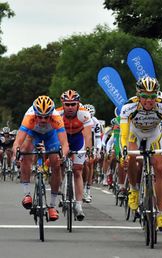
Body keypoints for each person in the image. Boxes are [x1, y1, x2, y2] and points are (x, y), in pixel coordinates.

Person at [120, 76, 162, 231]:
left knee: (160, 168)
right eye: (144, 96)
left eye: (152, 96)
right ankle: (134, 189)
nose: (149, 100)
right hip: (134, 136)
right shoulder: (128, 107)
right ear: (138, 95)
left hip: (154, 136)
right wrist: (123, 153)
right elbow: (123, 136)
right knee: (131, 156)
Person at [12, 96, 69, 221]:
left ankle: (52, 206)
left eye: (46, 117)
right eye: (40, 117)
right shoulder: (29, 116)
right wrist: (16, 154)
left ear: (51, 115)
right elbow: (17, 142)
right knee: (24, 151)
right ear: (35, 114)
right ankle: (27, 194)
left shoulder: (56, 117)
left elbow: (64, 144)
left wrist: (62, 157)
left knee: (56, 162)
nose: (43, 120)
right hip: (33, 133)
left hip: (51, 135)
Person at [57, 90, 93, 221]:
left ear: (78, 103)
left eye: (73, 104)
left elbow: (88, 135)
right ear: (63, 104)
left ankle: (78, 205)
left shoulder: (84, 113)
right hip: (63, 138)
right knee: (58, 163)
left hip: (78, 140)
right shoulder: (57, 114)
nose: (70, 107)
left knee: (78, 170)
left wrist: (88, 150)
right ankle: (62, 186)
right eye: (67, 104)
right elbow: (53, 133)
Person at [82, 104, 102, 203]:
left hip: (92, 146)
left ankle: (87, 189)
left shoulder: (96, 122)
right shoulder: (80, 119)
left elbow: (98, 138)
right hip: (81, 145)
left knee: (89, 163)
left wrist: (97, 150)